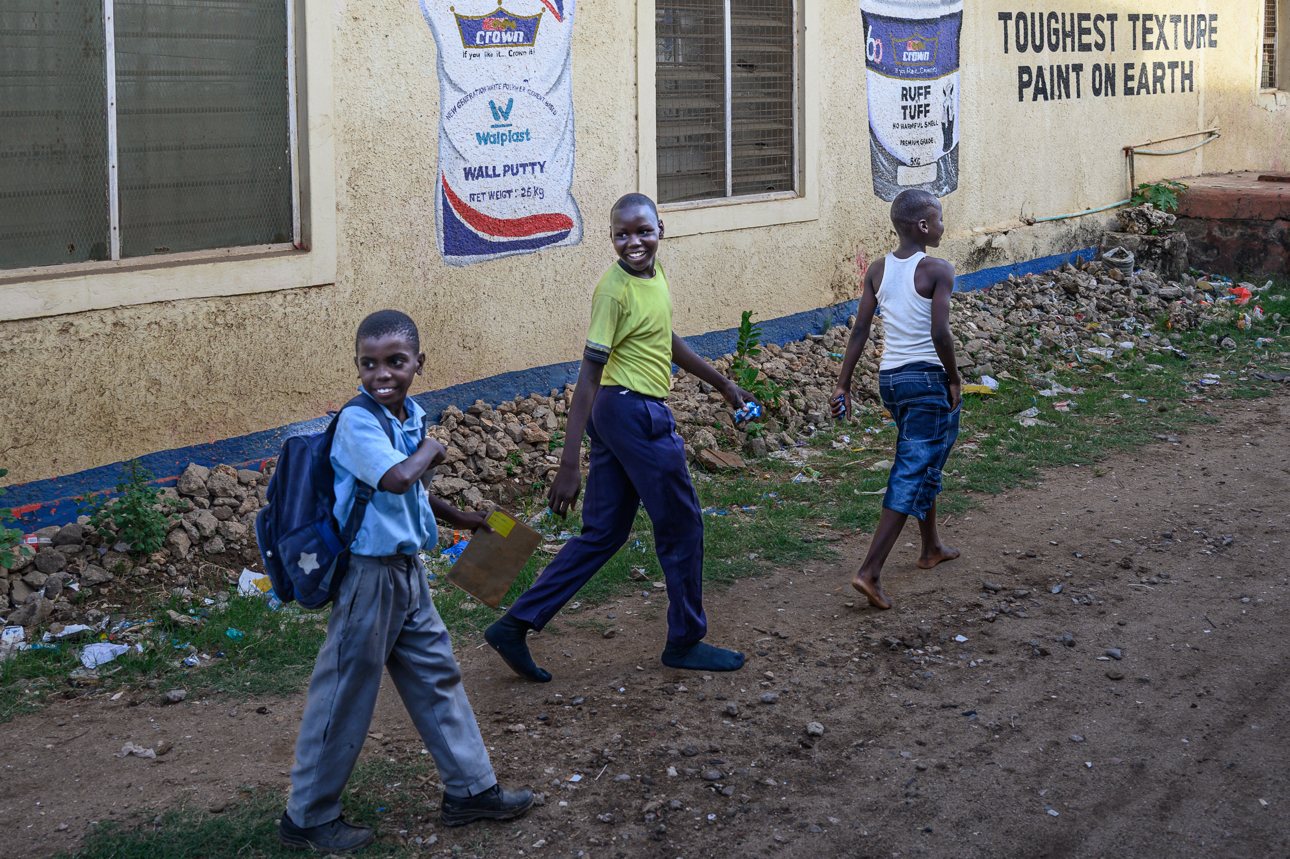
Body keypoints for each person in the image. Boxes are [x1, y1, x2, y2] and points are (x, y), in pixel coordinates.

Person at [279, 310, 532, 853]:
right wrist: (432, 450)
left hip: (406, 571)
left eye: (395, 361)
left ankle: (470, 790)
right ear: (357, 367)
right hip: (368, 578)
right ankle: (307, 817)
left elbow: (410, 494)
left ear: (419, 362)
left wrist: (464, 519)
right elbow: (396, 478)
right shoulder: (357, 422)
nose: (382, 374)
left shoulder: (407, 414)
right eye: (369, 364)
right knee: (344, 691)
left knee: (437, 673)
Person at [484, 194, 749, 682]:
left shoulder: (655, 274)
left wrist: (723, 383)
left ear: (660, 229)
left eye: (642, 231)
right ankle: (685, 640)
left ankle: (514, 625)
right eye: (622, 235)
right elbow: (587, 376)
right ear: (611, 238)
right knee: (683, 527)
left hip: (622, 412)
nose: (634, 242)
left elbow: (664, 338)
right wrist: (569, 463)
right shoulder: (613, 290)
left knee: (604, 533)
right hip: (633, 414)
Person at [831, 190, 962, 611]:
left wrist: (844, 385)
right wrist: (954, 378)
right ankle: (869, 571)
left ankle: (931, 547)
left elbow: (860, 331)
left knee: (921, 456)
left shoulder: (878, 270)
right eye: (938, 218)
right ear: (923, 226)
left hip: (893, 380)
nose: (943, 224)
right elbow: (941, 334)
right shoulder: (938, 270)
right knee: (914, 465)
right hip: (926, 380)